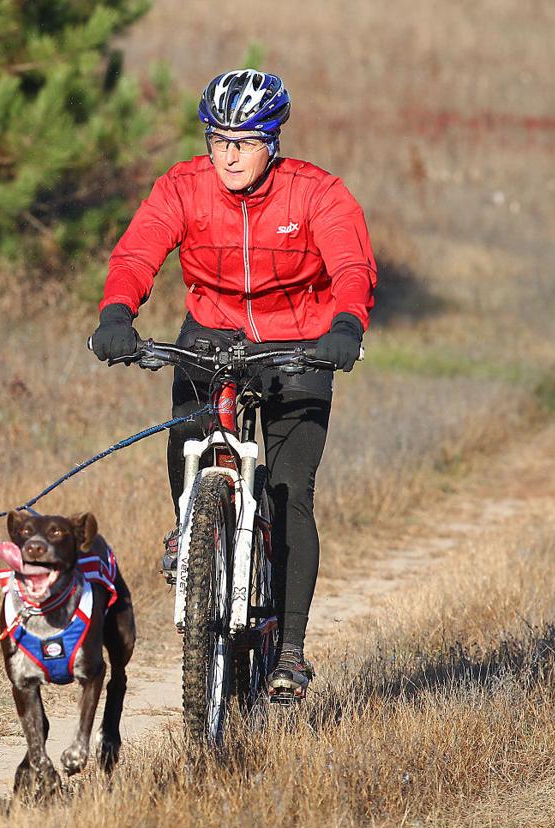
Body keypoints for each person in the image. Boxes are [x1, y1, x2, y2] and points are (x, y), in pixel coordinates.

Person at [89, 69, 376, 696]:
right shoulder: (184, 187)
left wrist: (347, 325)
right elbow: (138, 251)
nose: (229, 155)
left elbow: (352, 263)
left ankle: (291, 652)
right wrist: (117, 313)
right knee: (186, 437)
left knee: (287, 490)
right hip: (212, 330)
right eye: (219, 140)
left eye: (244, 142)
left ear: (272, 142)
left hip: (297, 342)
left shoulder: (315, 193)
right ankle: (192, 529)